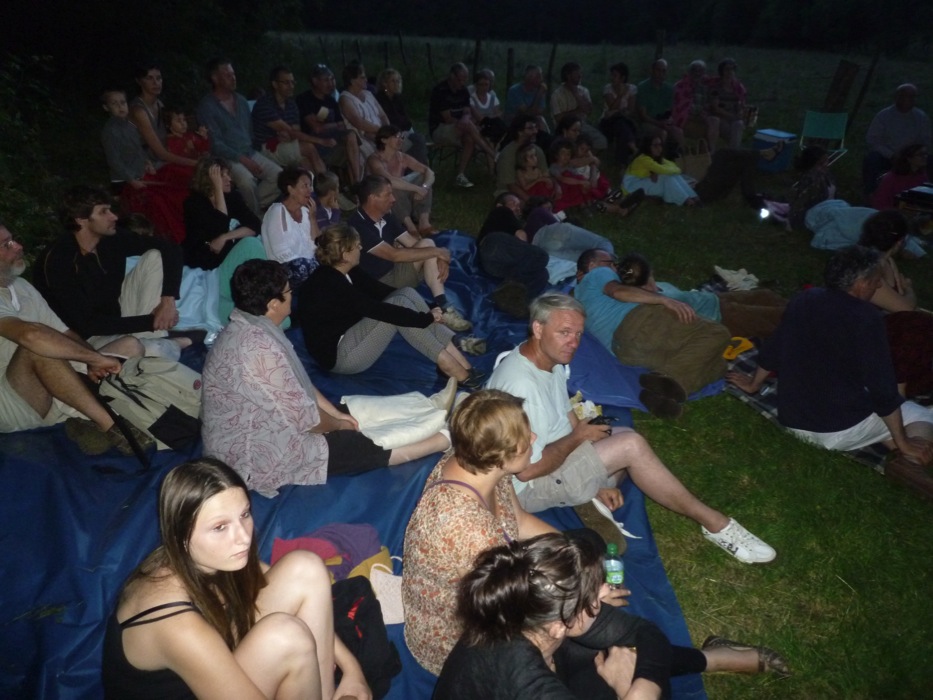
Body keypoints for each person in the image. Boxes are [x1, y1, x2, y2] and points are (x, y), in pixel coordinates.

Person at [486, 294, 773, 563]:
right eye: (564, 332)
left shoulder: (550, 361)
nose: (574, 342)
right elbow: (525, 471)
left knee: (620, 434)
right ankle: (716, 525)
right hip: (521, 490)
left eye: (579, 334)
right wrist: (578, 438)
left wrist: (587, 445)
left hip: (548, 456)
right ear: (538, 328)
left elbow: (566, 414)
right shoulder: (523, 388)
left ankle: (590, 492)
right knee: (630, 446)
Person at [101, 457, 373, 699]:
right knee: (286, 636)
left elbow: (302, 596)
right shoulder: (175, 624)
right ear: (181, 536)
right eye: (220, 527)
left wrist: (352, 671)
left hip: (219, 658)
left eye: (244, 514)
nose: (243, 537)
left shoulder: (208, 555)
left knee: (306, 567)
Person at [434, 533, 790, 700]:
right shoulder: (526, 682)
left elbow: (644, 633)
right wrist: (629, 693)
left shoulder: (525, 610)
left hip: (559, 663)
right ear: (558, 625)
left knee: (624, 654)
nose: (606, 591)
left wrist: (644, 684)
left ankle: (711, 658)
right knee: (622, 667)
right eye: (596, 592)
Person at [202, 260, 451, 496]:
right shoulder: (257, 349)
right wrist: (339, 426)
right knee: (357, 445)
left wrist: (337, 415)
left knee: (352, 410)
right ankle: (444, 437)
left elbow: (298, 383)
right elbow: (307, 420)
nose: (292, 294)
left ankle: (428, 406)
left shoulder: (252, 324)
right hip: (252, 456)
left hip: (270, 421)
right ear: (274, 304)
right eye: (289, 290)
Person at [727, 246, 933, 478]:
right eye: (876, 281)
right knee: (922, 416)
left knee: (864, 400)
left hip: (792, 418)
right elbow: (883, 390)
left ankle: (895, 446)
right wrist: (904, 441)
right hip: (833, 429)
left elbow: (775, 348)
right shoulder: (867, 318)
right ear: (861, 283)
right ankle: (910, 463)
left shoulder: (805, 299)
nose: (877, 287)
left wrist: (753, 384)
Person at [402, 389, 561, 674]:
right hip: (458, 640)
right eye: (526, 436)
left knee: (585, 548)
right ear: (501, 455)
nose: (534, 438)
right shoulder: (467, 528)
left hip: (495, 588)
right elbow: (505, 609)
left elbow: (519, 520)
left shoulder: (482, 464)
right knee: (567, 625)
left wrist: (569, 552)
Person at [0, 222, 152, 454]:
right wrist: (94, 359)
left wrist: (93, 361)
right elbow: (31, 336)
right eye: (6, 244)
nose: (18, 246)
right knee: (38, 347)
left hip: (50, 379)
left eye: (13, 239)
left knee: (130, 345)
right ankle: (113, 426)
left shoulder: (21, 286)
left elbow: (65, 333)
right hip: (13, 402)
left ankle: (82, 417)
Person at [296, 224, 481, 387]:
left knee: (405, 292)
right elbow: (375, 309)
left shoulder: (348, 270)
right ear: (345, 254)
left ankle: (460, 361)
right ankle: (449, 366)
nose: (361, 248)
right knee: (398, 308)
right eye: (357, 245)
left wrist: (429, 309)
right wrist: (424, 318)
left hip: (351, 336)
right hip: (341, 356)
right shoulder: (329, 282)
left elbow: (383, 291)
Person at [36, 186, 188, 358]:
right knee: (153, 349)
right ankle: (165, 342)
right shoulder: (59, 260)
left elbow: (171, 249)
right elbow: (87, 324)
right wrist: (151, 322)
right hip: (85, 339)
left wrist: (167, 302)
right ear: (81, 219)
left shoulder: (110, 239)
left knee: (156, 255)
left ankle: (155, 341)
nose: (114, 217)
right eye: (103, 212)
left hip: (118, 316)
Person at [574, 252, 731, 403]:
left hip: (627, 353)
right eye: (610, 263)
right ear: (592, 265)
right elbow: (617, 291)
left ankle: (658, 398)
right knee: (717, 333)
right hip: (640, 323)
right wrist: (664, 300)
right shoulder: (597, 274)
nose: (615, 267)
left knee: (718, 365)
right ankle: (670, 381)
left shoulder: (579, 300)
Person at [347, 175, 472, 331]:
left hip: (396, 271)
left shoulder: (386, 218)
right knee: (429, 246)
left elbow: (413, 244)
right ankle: (444, 307)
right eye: (388, 195)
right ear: (373, 198)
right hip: (380, 285)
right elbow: (394, 255)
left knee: (428, 245)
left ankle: (442, 305)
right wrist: (439, 252)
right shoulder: (357, 226)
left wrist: (440, 256)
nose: (393, 199)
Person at [601, 251, 786, 340]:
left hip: (715, 299)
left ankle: (798, 307)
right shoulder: (651, 302)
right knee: (777, 316)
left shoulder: (658, 289)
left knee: (766, 295)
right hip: (722, 317)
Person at [858, 211, 933, 399]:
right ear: (900, 241)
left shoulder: (887, 261)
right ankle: (901, 391)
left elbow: (900, 304)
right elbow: (905, 308)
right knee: (918, 328)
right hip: (864, 333)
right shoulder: (869, 265)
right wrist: (909, 290)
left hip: (885, 323)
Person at [182, 157, 266, 322]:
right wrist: (218, 190)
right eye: (223, 176)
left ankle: (262, 299)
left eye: (228, 174)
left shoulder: (233, 197)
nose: (229, 179)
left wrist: (225, 237)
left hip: (228, 255)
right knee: (251, 245)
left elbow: (255, 225)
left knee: (253, 243)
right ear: (210, 179)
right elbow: (218, 226)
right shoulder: (194, 204)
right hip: (207, 261)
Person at [99, 89, 188, 243]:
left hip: (141, 173)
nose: (120, 107)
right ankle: (165, 235)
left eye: (123, 102)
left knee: (174, 184)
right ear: (106, 107)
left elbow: (139, 149)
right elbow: (114, 161)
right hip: (125, 180)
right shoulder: (110, 132)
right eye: (114, 104)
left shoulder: (130, 125)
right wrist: (131, 180)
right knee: (159, 200)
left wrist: (147, 163)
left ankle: (183, 227)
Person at [196, 57, 282, 216]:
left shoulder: (241, 101)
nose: (233, 78)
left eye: (233, 74)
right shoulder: (207, 106)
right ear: (215, 78)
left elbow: (249, 133)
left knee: (279, 176)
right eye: (227, 75)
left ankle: (246, 209)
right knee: (247, 182)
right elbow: (215, 144)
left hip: (249, 152)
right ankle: (255, 217)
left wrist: (255, 154)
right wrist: (243, 159)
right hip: (226, 158)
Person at [251, 65, 332, 174]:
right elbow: (292, 132)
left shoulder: (291, 104)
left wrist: (290, 135)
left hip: (285, 144)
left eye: (293, 82)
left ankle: (317, 184)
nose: (291, 86)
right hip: (266, 147)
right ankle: (326, 182)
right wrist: (321, 141)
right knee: (309, 148)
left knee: (306, 161)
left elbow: (295, 132)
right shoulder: (264, 104)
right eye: (286, 83)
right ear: (275, 84)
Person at [428, 62, 497, 188]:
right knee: (470, 126)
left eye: (465, 79)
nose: (463, 82)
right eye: (461, 79)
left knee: (469, 138)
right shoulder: (440, 91)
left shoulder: (463, 91)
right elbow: (448, 119)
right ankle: (491, 153)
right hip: (440, 129)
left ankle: (460, 175)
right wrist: (465, 122)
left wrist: (465, 118)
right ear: (452, 76)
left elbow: (467, 111)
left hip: (462, 129)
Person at [365, 125, 437, 237]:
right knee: (390, 186)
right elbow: (389, 180)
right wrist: (417, 189)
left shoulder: (402, 157)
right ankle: (410, 227)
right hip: (378, 198)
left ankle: (424, 222)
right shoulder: (374, 159)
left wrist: (425, 187)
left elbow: (429, 172)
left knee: (423, 177)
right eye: (396, 137)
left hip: (400, 198)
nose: (401, 140)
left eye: (402, 137)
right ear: (384, 140)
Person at [296, 64, 362, 184]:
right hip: (314, 141)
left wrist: (330, 125)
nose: (331, 83)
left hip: (333, 139)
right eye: (326, 80)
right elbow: (316, 128)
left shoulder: (331, 101)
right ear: (315, 81)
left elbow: (342, 125)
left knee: (352, 137)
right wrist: (334, 125)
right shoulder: (304, 99)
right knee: (351, 150)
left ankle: (357, 183)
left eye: (332, 79)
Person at [128, 62, 199, 172]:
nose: (156, 83)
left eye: (159, 78)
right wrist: (197, 163)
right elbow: (161, 153)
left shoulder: (160, 104)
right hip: (147, 164)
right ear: (139, 81)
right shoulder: (139, 111)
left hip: (164, 159)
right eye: (149, 78)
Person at [863, 84, 933, 196]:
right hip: (888, 157)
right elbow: (873, 139)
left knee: (930, 161)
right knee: (871, 159)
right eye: (904, 95)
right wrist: (891, 155)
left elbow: (926, 141)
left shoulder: (921, 117)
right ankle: (871, 194)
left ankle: (926, 195)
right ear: (897, 97)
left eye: (911, 96)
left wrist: (914, 155)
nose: (907, 99)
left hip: (912, 157)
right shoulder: (883, 116)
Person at [261, 167, 320, 289]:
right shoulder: (277, 211)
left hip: (309, 267)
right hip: (285, 271)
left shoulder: (306, 212)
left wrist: (313, 219)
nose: (310, 190)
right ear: (291, 189)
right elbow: (281, 253)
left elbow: (317, 244)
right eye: (305, 186)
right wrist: (311, 264)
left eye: (310, 186)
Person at [623, 132, 699, 206]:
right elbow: (664, 170)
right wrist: (675, 170)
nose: (659, 148)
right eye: (655, 146)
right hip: (632, 187)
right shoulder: (643, 159)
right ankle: (687, 201)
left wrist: (672, 171)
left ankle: (694, 198)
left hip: (644, 182)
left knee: (673, 176)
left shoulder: (656, 158)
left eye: (660, 145)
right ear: (647, 146)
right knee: (667, 177)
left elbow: (673, 165)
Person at [374, 68, 429, 165]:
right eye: (393, 81)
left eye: (398, 81)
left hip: (403, 131)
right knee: (416, 142)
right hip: (391, 133)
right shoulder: (380, 99)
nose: (397, 84)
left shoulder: (397, 98)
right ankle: (417, 169)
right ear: (385, 83)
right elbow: (391, 120)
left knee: (418, 140)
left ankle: (419, 169)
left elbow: (406, 120)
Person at [550, 62, 608, 151]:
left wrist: (576, 93)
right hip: (564, 128)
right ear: (568, 76)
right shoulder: (557, 94)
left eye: (580, 73)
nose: (580, 76)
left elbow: (588, 110)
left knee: (601, 141)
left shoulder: (583, 91)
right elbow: (558, 118)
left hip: (582, 125)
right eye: (577, 73)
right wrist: (577, 111)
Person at [338, 61, 389, 160]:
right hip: (364, 137)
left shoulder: (368, 94)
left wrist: (387, 130)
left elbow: (383, 115)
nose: (366, 80)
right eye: (362, 78)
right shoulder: (345, 99)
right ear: (352, 81)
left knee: (411, 142)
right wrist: (381, 131)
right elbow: (358, 122)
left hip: (381, 134)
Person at [636, 58, 684, 157]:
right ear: (652, 70)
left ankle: (681, 158)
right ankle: (660, 159)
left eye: (664, 71)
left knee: (678, 132)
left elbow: (670, 110)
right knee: (662, 133)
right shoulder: (643, 87)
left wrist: (669, 120)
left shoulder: (669, 89)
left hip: (663, 120)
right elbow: (643, 116)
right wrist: (659, 123)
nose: (660, 74)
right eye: (658, 70)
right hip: (648, 122)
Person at [496, 115, 550, 199]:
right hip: (510, 192)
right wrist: (531, 201)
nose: (535, 131)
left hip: (537, 189)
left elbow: (546, 174)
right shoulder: (508, 153)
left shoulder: (536, 150)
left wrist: (556, 187)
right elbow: (510, 185)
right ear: (519, 132)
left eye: (536, 127)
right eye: (530, 128)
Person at [672, 60, 719, 153]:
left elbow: (712, 104)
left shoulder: (708, 86)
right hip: (685, 116)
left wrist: (707, 109)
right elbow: (680, 105)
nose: (697, 73)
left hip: (703, 116)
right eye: (694, 70)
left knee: (715, 120)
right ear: (690, 72)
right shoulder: (681, 86)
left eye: (700, 71)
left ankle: (712, 152)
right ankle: (685, 154)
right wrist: (697, 111)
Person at [599, 62, 639, 165]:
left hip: (624, 120)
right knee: (620, 123)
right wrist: (620, 95)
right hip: (608, 122)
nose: (612, 78)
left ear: (622, 78)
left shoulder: (632, 89)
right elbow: (612, 106)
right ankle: (633, 149)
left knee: (621, 125)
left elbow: (630, 110)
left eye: (615, 76)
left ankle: (622, 162)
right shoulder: (608, 88)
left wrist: (616, 112)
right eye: (612, 75)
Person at [870, 143, 930, 210]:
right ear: (909, 158)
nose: (925, 157)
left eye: (926, 154)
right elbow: (880, 202)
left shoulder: (922, 176)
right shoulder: (891, 178)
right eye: (920, 155)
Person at [708, 58, 747, 149]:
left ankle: (732, 152)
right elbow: (716, 108)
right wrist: (732, 116)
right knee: (731, 131)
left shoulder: (738, 88)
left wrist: (741, 112)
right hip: (721, 117)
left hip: (734, 117)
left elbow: (741, 104)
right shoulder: (716, 88)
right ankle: (732, 151)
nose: (730, 72)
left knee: (739, 124)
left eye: (732, 69)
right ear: (722, 71)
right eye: (727, 69)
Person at [504, 65, 550, 134]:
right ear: (529, 77)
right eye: (538, 76)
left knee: (540, 119)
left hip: (532, 122)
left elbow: (539, 112)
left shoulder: (540, 90)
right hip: (515, 123)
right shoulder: (514, 91)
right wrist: (539, 95)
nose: (541, 79)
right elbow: (528, 114)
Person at [469, 68, 508, 146]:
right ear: (476, 85)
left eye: (486, 84)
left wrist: (490, 118)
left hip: (492, 127)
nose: (484, 87)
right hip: (478, 128)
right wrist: (492, 117)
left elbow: (498, 115)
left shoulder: (493, 98)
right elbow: (480, 118)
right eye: (481, 84)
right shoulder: (471, 99)